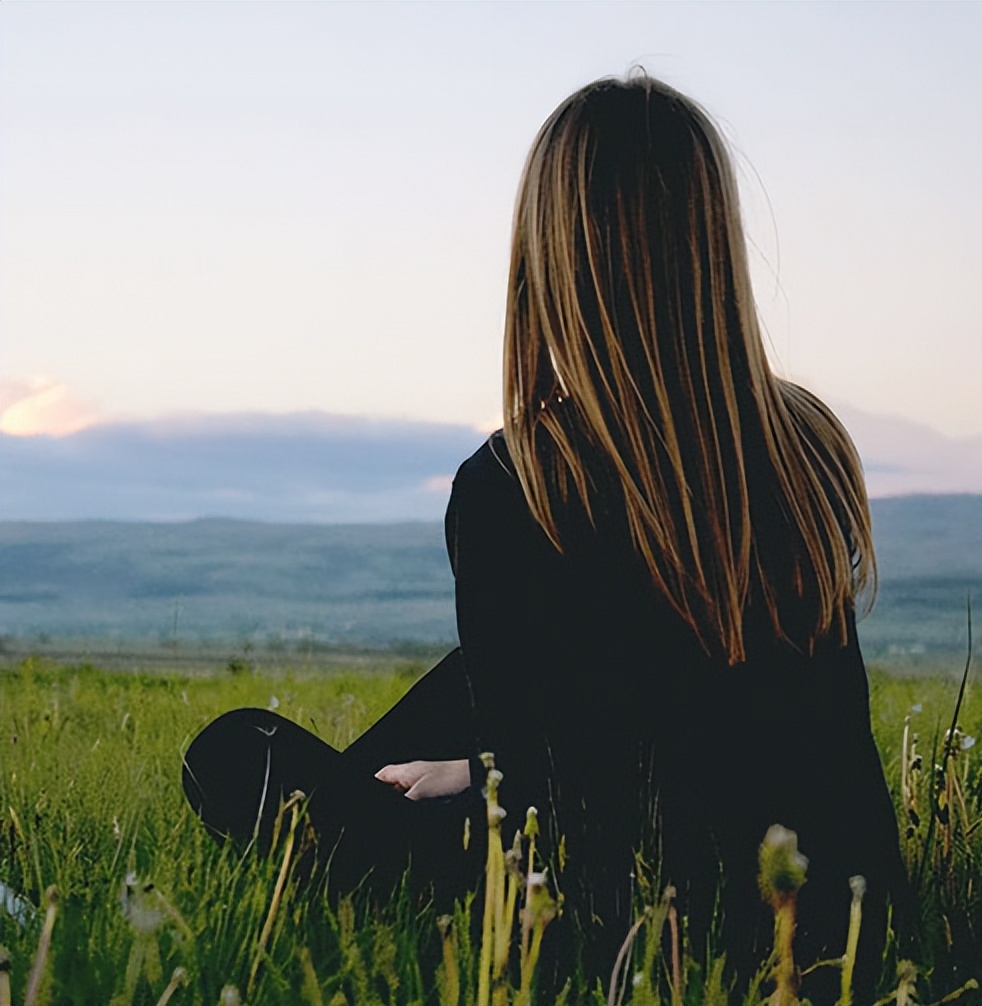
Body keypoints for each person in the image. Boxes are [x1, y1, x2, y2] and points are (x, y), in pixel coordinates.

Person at [183, 74, 907, 995]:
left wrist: (487, 775)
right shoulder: (805, 444)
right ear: (712, 243)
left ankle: (367, 817)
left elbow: (567, 815)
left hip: (601, 917)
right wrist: (483, 762)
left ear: (554, 254)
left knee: (235, 754)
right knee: (468, 688)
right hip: (839, 913)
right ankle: (420, 780)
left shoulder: (520, 483)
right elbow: (719, 714)